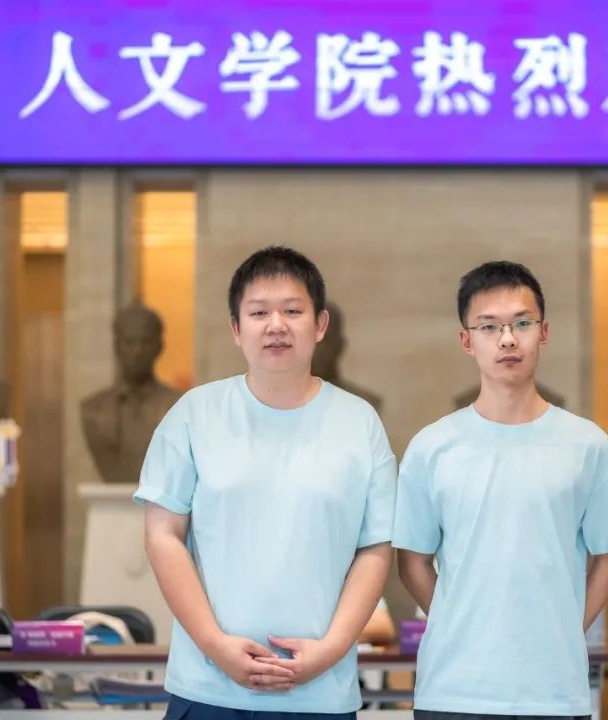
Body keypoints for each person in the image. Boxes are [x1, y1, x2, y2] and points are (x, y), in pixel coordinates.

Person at [134, 246, 397, 718]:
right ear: (237, 329)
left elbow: (375, 547)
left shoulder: (360, 422)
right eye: (259, 313)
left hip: (321, 692)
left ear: (320, 325)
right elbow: (163, 535)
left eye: (293, 311)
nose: (276, 325)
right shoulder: (194, 415)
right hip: (208, 688)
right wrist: (214, 644)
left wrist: (332, 649)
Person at [394, 260, 608, 719]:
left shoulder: (588, 446)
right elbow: (412, 562)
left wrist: (565, 627)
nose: (507, 339)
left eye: (522, 323)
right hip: (454, 691)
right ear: (467, 340)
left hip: (554, 693)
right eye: (489, 326)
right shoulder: (431, 447)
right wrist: (459, 622)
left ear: (544, 332)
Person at [81, 302, 181, 484]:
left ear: (159, 347)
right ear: (116, 347)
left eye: (145, 342)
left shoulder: (178, 406)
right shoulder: (93, 410)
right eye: (129, 342)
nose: (137, 351)